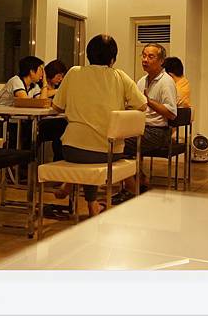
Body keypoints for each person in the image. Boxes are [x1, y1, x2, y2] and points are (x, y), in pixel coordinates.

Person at [52, 34, 147, 217]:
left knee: (87, 153)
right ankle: (88, 202)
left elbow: (56, 107)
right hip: (109, 150)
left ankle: (86, 200)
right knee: (96, 152)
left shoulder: (73, 72)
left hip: (72, 149)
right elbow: (142, 105)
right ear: (113, 59)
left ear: (88, 55)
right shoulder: (119, 76)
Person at [113, 43, 177, 204]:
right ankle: (139, 180)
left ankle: (132, 187)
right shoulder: (142, 81)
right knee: (115, 139)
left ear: (161, 61)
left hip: (158, 132)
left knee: (117, 145)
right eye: (143, 55)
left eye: (150, 56)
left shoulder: (166, 82)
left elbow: (171, 113)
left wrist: (149, 101)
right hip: (141, 128)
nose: (145, 60)